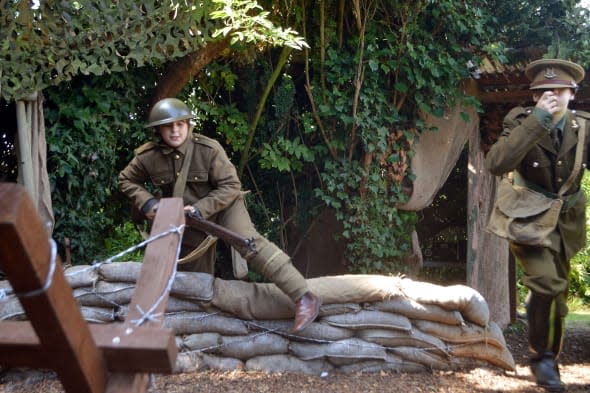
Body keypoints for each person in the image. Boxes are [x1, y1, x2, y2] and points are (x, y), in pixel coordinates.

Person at [119, 97, 322, 333]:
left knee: (249, 243)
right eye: (168, 126)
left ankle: (304, 297)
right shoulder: (148, 157)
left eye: (180, 124)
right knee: (195, 281)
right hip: (187, 217)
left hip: (223, 207)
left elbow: (230, 186)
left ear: (188, 125)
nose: (175, 130)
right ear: (158, 129)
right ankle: (197, 329)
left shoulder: (208, 149)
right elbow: (126, 179)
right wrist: (149, 204)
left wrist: (201, 209)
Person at [486, 59, 589, 392]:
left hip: (566, 222)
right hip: (527, 216)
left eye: (558, 91)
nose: (551, 97)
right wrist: (538, 121)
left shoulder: (583, 127)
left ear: (572, 94)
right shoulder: (520, 122)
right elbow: (497, 163)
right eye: (543, 92)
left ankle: (549, 358)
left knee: (556, 290)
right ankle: (542, 359)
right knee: (545, 281)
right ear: (533, 98)